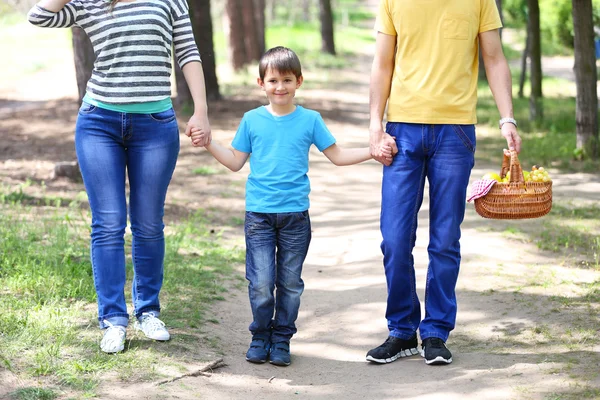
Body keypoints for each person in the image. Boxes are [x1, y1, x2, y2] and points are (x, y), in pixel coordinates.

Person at [191, 46, 395, 366]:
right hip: (259, 216)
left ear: (299, 81)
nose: (280, 87)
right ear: (261, 83)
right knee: (260, 284)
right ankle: (260, 335)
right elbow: (234, 162)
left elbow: (338, 156)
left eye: (287, 80)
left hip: (295, 218)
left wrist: (373, 152)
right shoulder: (251, 120)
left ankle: (282, 338)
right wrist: (208, 143)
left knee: (289, 284)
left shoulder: (310, 120)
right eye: (273, 80)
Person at [27, 0, 211, 353]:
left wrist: (201, 111)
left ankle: (148, 311)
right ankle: (113, 319)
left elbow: (187, 51)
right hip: (99, 123)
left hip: (155, 126)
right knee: (109, 222)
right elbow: (39, 15)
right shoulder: (89, 3)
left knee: (148, 223)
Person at [366, 0, 522, 366]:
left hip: (456, 131)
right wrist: (375, 124)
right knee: (394, 237)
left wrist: (507, 119)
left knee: (445, 238)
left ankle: (435, 331)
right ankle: (402, 330)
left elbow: (494, 59)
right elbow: (382, 62)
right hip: (402, 129)